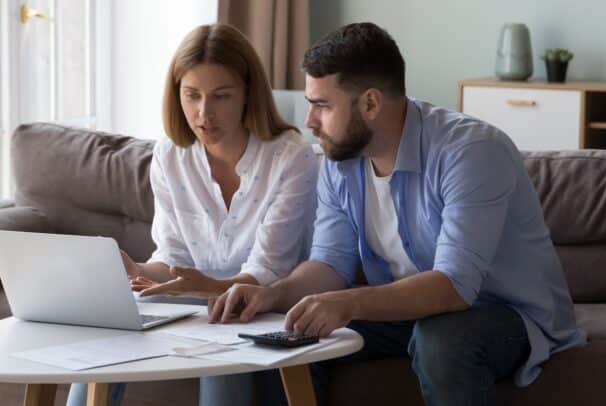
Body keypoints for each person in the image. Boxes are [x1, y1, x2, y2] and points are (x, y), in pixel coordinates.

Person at [208, 22, 586, 406]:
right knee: (289, 332)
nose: (309, 121)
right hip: (404, 314)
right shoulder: (340, 162)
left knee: (442, 339)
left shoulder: (471, 152)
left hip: (505, 315)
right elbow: (330, 264)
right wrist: (272, 295)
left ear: (370, 103)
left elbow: (453, 287)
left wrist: (350, 302)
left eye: (322, 105)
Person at [66, 23, 318, 406]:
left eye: (221, 96)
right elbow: (173, 261)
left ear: (248, 93)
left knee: (219, 361)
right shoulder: (171, 155)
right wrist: (133, 270)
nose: (204, 114)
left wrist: (201, 287)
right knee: (102, 342)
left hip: (263, 307)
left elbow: (268, 271)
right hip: (194, 301)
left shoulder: (291, 157)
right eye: (191, 96)